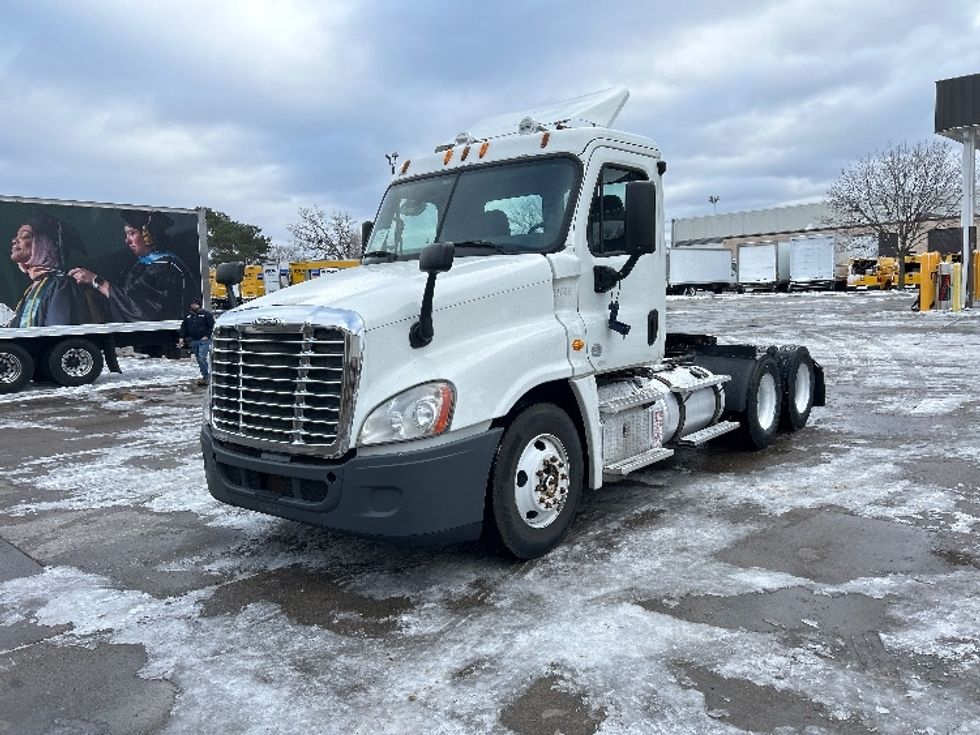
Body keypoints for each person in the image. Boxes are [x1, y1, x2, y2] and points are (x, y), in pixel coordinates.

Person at [69, 210, 199, 322]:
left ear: (148, 235)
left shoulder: (165, 267)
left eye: (132, 233)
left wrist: (96, 281)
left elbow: (139, 309)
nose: (127, 240)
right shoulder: (141, 264)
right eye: (126, 234)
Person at [7, 214, 107, 328]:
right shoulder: (32, 289)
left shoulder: (62, 285)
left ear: (45, 245)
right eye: (17, 236)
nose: (14, 240)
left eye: (25, 236)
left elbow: (57, 334)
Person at [179, 299, 214, 385]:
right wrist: (181, 338)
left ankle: (208, 377)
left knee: (202, 358)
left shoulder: (206, 314)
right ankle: (205, 376)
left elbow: (211, 325)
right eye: (192, 304)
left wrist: (207, 335)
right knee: (199, 359)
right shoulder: (188, 316)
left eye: (196, 304)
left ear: (199, 305)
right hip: (194, 340)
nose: (194, 306)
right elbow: (184, 327)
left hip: (204, 341)